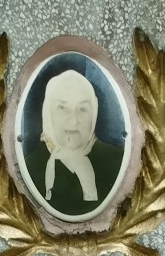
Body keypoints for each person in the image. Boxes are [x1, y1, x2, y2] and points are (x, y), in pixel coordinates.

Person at [20, 67, 124, 218]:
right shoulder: (29, 168)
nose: (73, 121)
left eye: (82, 109)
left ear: (94, 112)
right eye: (62, 108)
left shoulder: (118, 163)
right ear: (48, 112)